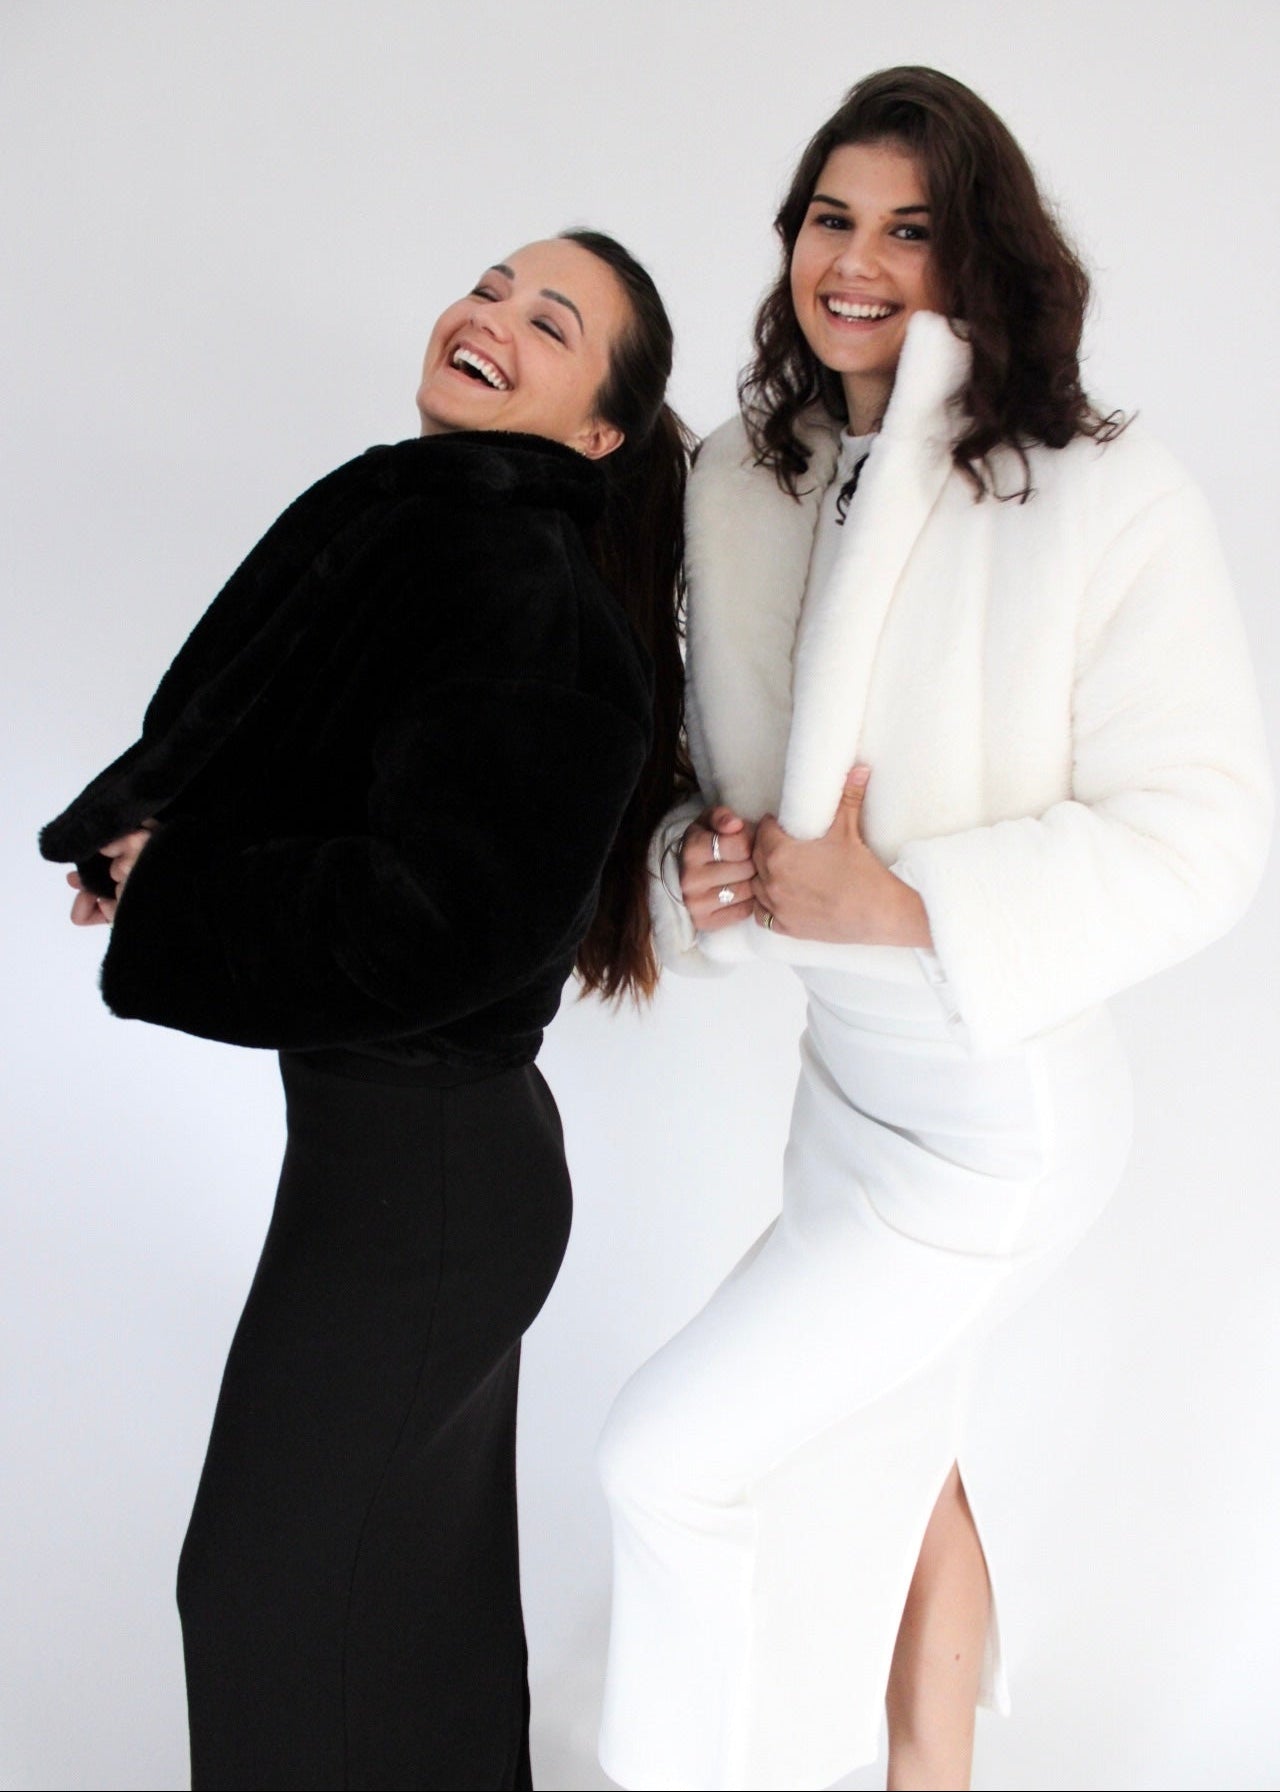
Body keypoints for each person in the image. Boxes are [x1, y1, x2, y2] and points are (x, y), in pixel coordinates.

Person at [595, 67, 1272, 1792]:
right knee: (895, 1454)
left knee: (668, 1461)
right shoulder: (747, 479)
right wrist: (697, 866)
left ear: (981, 257)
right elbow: (696, 772)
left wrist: (910, 904)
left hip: (997, 1111)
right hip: (846, 1092)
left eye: (911, 229)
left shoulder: (1099, 491)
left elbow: (1208, 833)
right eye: (832, 219)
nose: (859, 262)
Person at [40, 228, 690, 1791]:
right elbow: (331, 764)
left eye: (552, 324)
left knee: (266, 1598)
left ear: (603, 432)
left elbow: (438, 921)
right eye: (492, 286)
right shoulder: (447, 540)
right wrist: (156, 847)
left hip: (431, 1181)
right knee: (401, 1613)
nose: (494, 317)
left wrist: (184, 892)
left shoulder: (528, 593)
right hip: (405, 1163)